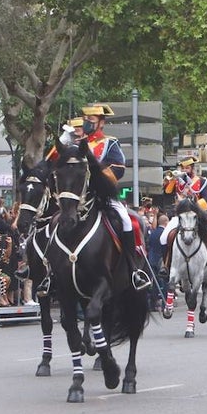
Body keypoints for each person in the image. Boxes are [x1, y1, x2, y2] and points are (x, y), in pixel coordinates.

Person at [75, 103, 152, 291]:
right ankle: (49, 273)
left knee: (128, 221)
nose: (86, 123)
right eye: (85, 120)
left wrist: (98, 174)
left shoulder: (110, 142)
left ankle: (134, 269)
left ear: (101, 123)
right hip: (77, 198)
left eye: (91, 120)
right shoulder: (75, 145)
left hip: (103, 196)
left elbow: (118, 168)